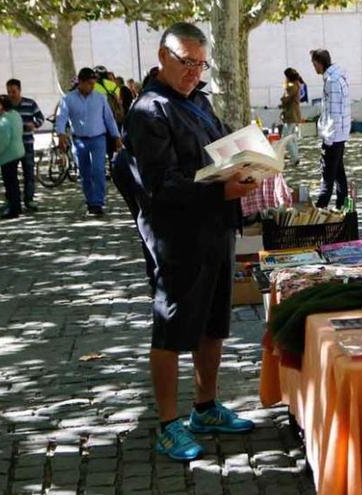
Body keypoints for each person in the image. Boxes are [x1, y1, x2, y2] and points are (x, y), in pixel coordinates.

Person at [123, 22, 258, 462]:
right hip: (176, 237)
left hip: (216, 228)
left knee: (213, 323)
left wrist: (249, 160)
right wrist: (221, 190)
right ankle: (167, 422)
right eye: (187, 63)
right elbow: (159, 186)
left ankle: (205, 406)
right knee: (172, 328)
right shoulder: (149, 111)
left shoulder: (199, 101)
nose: (195, 72)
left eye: (201, 64)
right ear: (163, 56)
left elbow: (219, 151)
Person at [55, 67, 122, 216]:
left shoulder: (100, 98)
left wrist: (116, 137)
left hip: (98, 139)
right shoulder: (68, 99)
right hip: (79, 141)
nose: (92, 87)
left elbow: (109, 119)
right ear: (81, 83)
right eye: (89, 84)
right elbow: (62, 118)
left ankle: (98, 202)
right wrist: (60, 134)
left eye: (93, 83)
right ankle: (90, 201)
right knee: (85, 173)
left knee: (98, 170)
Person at [311, 49, 351, 209]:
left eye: (314, 64)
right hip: (338, 135)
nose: (314, 68)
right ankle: (342, 206)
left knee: (327, 177)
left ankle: (319, 210)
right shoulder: (336, 77)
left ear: (320, 63)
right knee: (339, 174)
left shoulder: (332, 81)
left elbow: (335, 113)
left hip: (334, 136)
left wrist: (328, 138)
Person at [3, 79, 44, 212]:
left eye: (13, 91)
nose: (11, 94)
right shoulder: (5, 106)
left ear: (19, 90)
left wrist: (34, 124)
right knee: (11, 175)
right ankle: (13, 200)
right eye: (9, 92)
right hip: (11, 146)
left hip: (26, 143)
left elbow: (40, 118)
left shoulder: (30, 103)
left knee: (29, 172)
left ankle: (29, 199)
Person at [0, 95, 26, 219]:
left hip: (8, 155)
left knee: (10, 183)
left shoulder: (5, 119)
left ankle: (13, 209)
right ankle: (16, 206)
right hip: (17, 152)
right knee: (14, 182)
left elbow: (3, 140)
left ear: (1, 106)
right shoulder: (15, 115)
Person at [280, 68, 303, 167]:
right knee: (292, 137)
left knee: (286, 138)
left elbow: (286, 98)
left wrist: (283, 96)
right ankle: (295, 158)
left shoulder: (293, 86)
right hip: (292, 114)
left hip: (291, 115)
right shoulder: (296, 84)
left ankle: (295, 158)